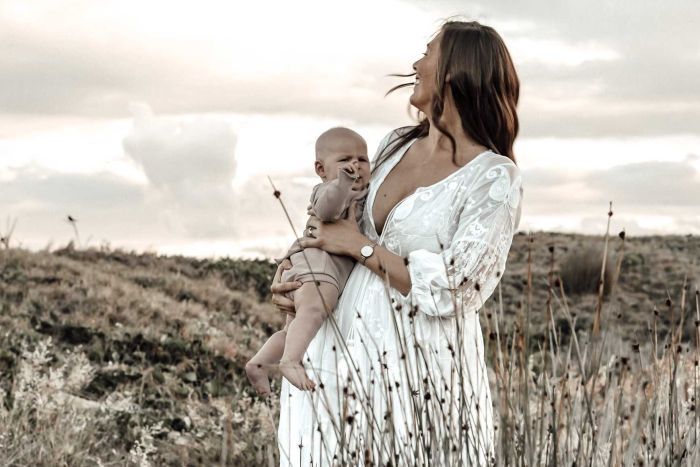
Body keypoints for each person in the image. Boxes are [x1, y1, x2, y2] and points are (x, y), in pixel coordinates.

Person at [271, 20, 523, 466]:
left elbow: (459, 287)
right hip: (339, 349)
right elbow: (341, 225)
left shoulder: (492, 177)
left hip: (418, 368)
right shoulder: (391, 146)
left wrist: (360, 249)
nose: (415, 63)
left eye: (428, 52)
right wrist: (299, 268)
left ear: (454, 71)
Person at [246, 127, 370, 396]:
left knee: (293, 328)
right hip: (319, 265)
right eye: (345, 160)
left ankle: (259, 362)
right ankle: (290, 361)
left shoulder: (360, 191)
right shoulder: (327, 190)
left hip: (315, 268)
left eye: (363, 159)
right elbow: (328, 210)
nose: (355, 165)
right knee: (314, 311)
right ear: (321, 169)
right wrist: (342, 183)